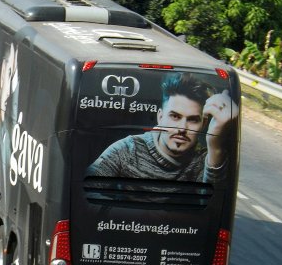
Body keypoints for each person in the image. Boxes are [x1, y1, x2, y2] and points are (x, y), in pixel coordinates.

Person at [86, 72, 238, 183]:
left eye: (192, 120)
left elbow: (215, 212)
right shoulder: (128, 149)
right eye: (175, 116)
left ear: (203, 124)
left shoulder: (206, 161)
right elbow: (85, 191)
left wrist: (215, 146)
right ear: (160, 117)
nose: (182, 128)